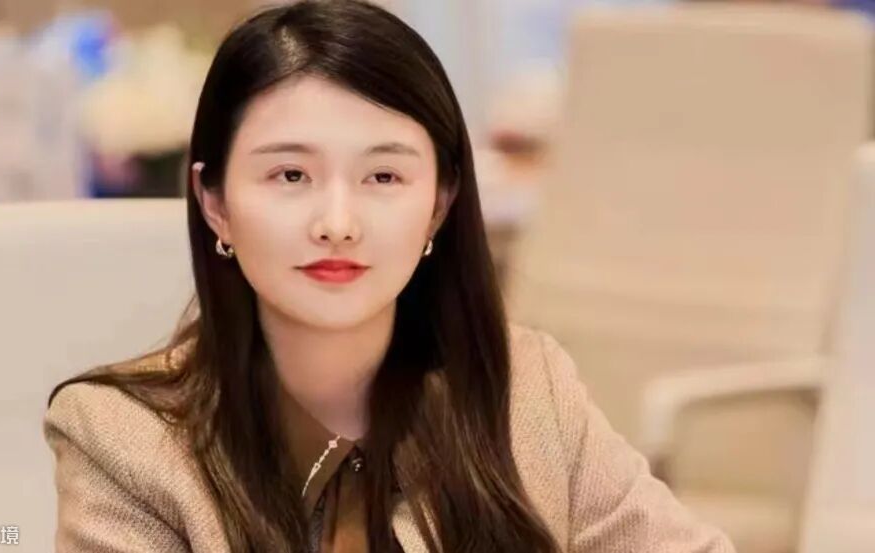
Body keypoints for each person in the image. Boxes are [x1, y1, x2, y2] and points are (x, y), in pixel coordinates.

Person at [43, 1, 736, 551]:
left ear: (439, 203)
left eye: (383, 176)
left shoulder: (527, 389)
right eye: (291, 175)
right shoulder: (123, 437)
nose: (338, 223)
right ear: (214, 203)